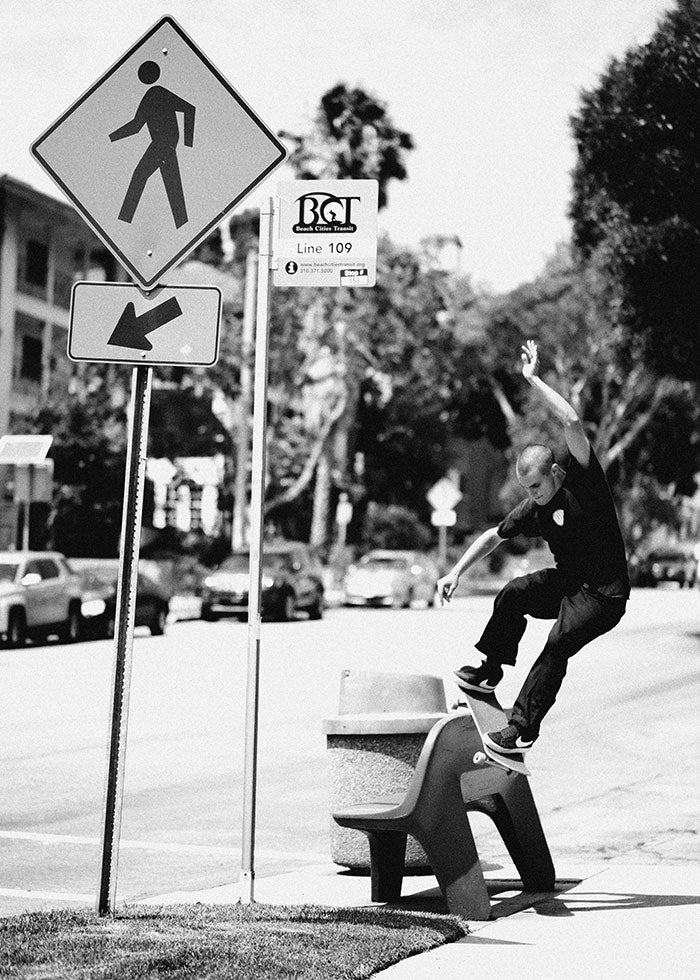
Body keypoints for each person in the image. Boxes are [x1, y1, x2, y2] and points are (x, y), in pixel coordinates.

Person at [437, 340, 630, 755]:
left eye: (538, 486)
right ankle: (490, 671)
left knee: (558, 642)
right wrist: (456, 572)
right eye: (527, 489)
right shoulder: (534, 508)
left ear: (556, 472)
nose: (534, 495)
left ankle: (522, 728)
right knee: (514, 593)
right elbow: (493, 536)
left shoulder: (584, 483)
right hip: (568, 584)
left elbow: (572, 420)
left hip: (603, 595)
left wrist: (533, 379)